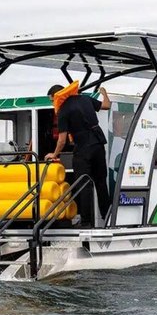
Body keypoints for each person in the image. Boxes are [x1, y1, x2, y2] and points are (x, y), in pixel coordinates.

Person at [45, 85, 112, 226]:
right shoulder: (85, 99)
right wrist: (104, 93)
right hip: (98, 144)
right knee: (101, 183)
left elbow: (62, 140)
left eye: (52, 100)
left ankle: (87, 222)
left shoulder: (62, 110)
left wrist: (54, 154)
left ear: (58, 96)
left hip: (82, 148)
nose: (53, 103)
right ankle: (108, 217)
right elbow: (107, 105)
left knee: (84, 185)